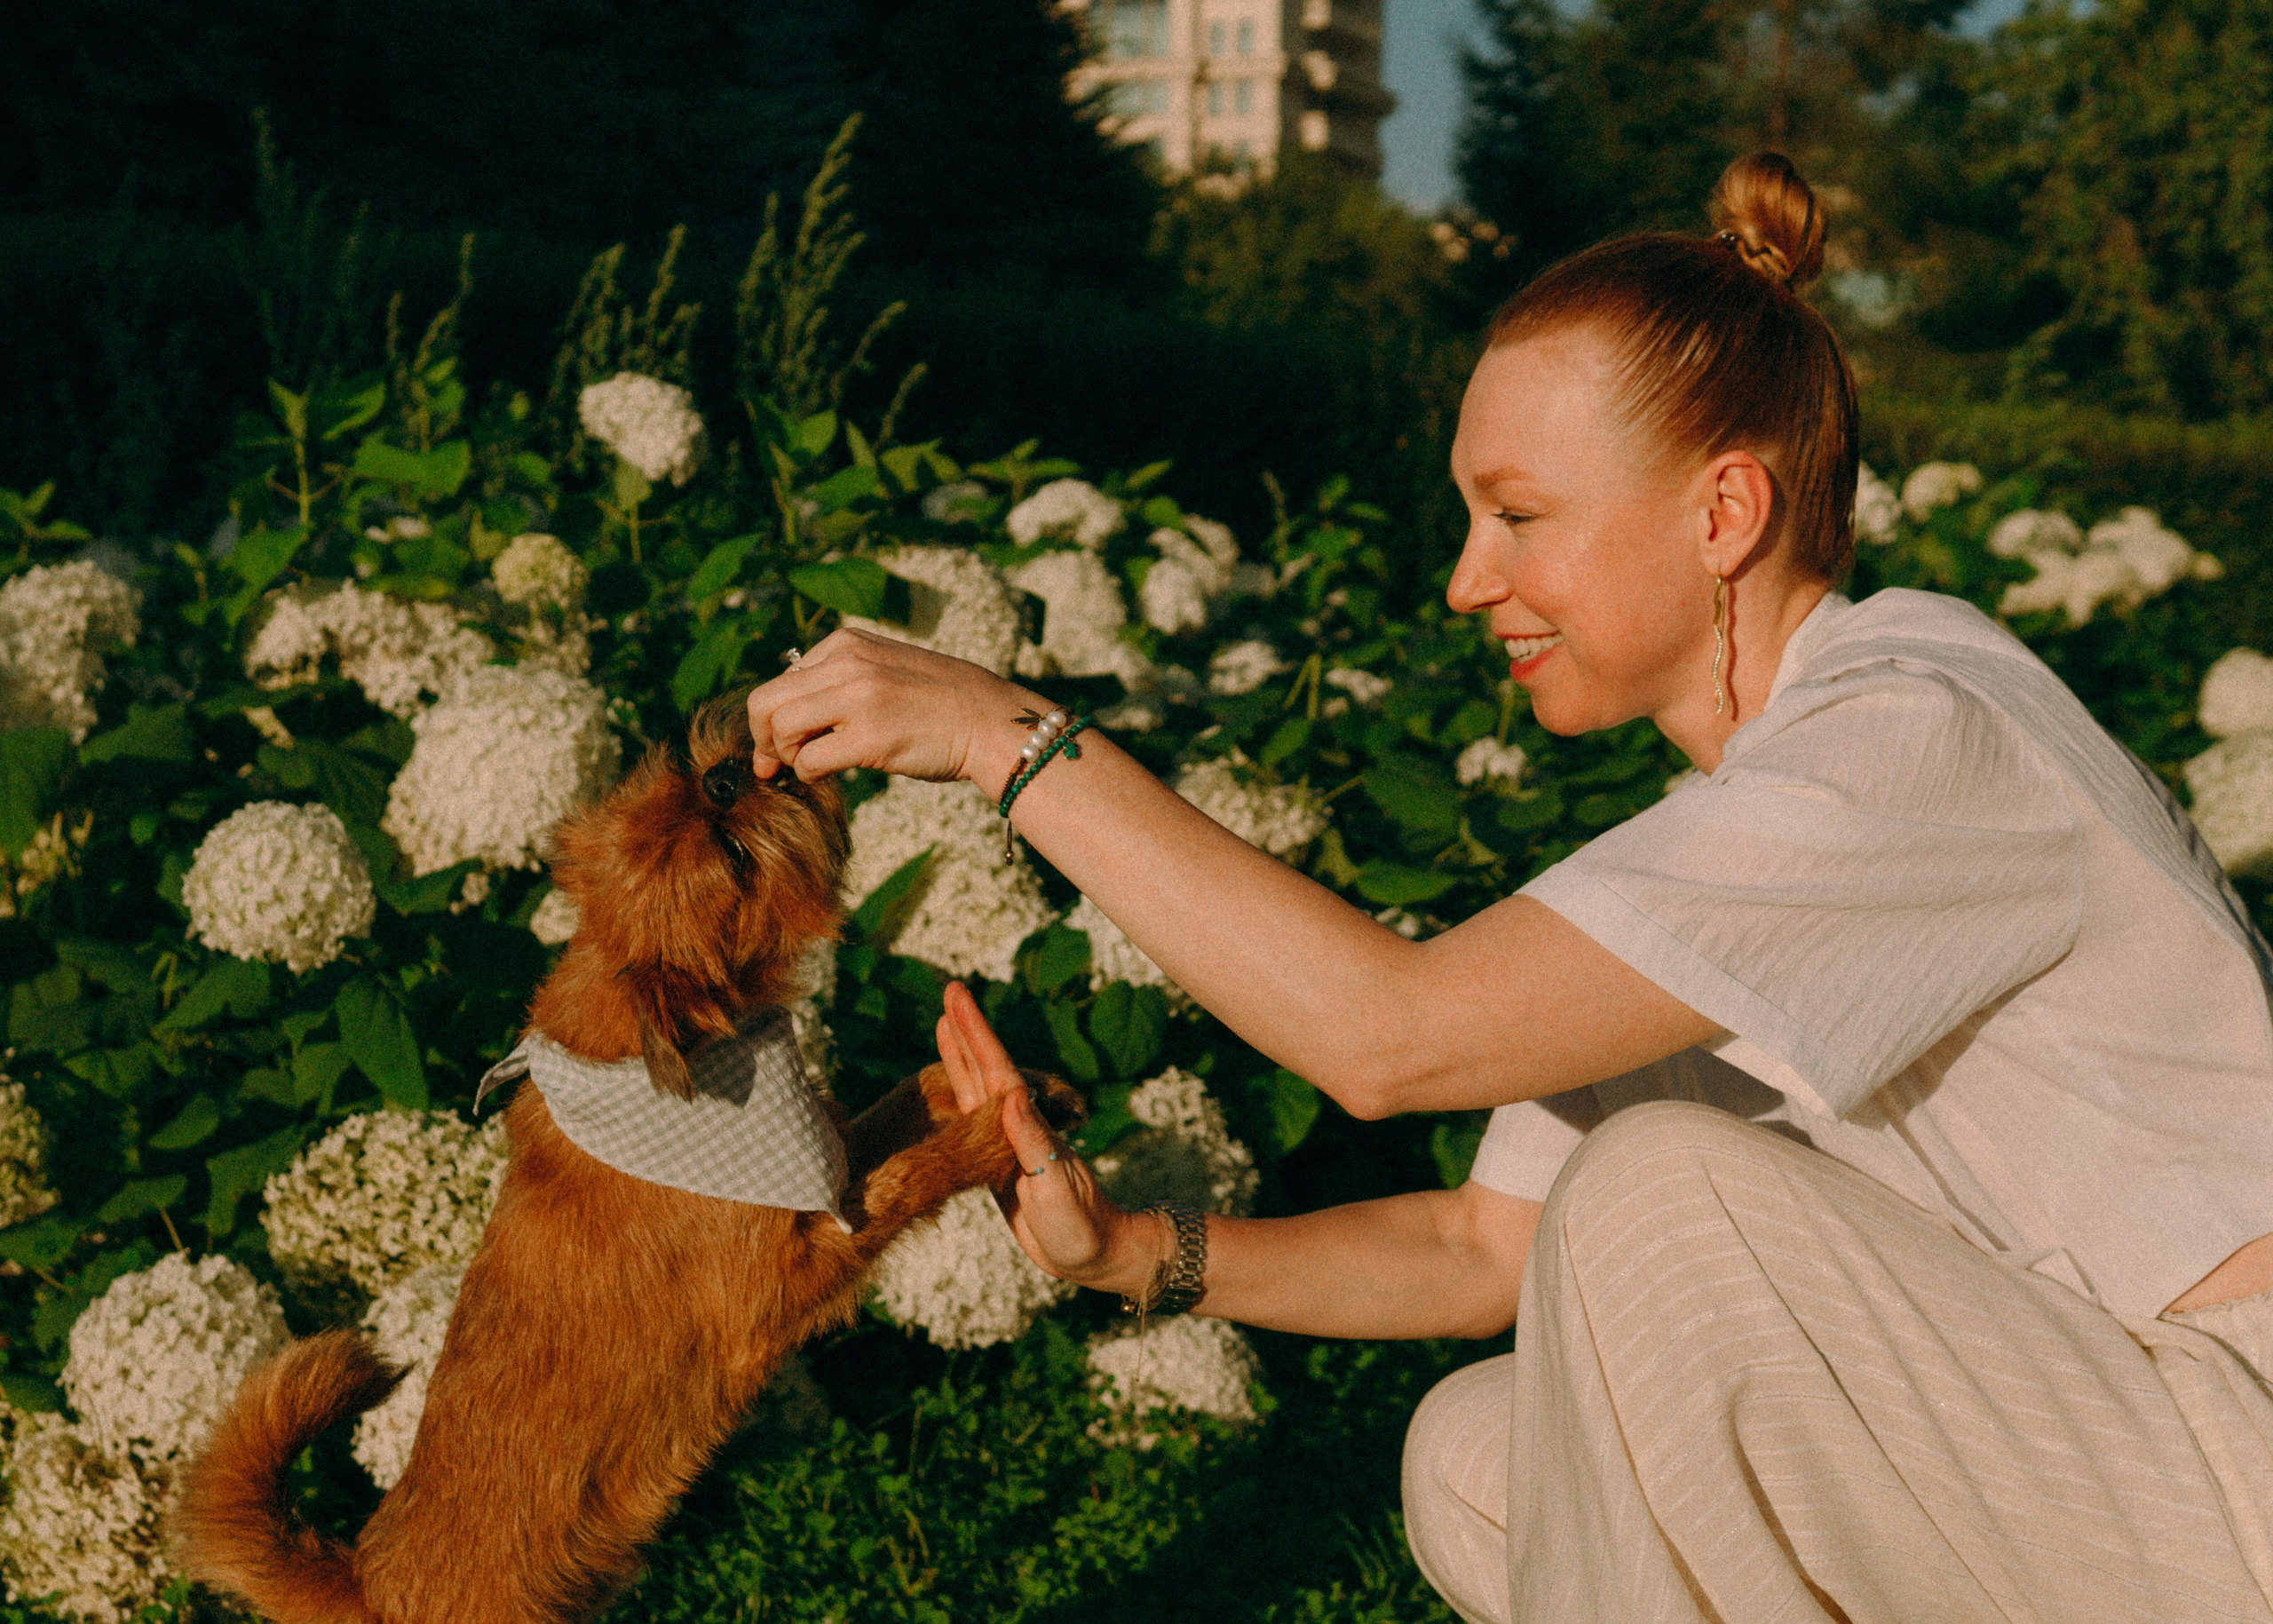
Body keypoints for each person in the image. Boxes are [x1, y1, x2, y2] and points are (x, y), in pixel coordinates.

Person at [747, 152, 2273, 1623]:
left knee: (1664, 1200)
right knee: (1482, 1458)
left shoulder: (1911, 737)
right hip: (2104, 1434)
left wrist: (1001, 736)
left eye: (1519, 515)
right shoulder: (1746, 829)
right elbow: (1485, 1249)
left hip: (2235, 1444)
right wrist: (1136, 1251)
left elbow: (1387, 1037)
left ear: (1722, 513)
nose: (1468, 578)